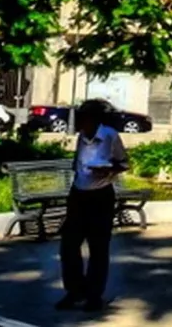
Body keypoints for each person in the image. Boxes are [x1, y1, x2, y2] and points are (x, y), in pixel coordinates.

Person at [57, 99, 129, 312]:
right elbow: (77, 163)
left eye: (84, 119)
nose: (80, 124)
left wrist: (107, 170)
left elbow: (123, 163)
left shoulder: (109, 136)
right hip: (78, 195)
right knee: (69, 245)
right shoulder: (81, 137)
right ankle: (74, 290)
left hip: (101, 196)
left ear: (94, 120)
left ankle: (93, 295)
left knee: (98, 248)